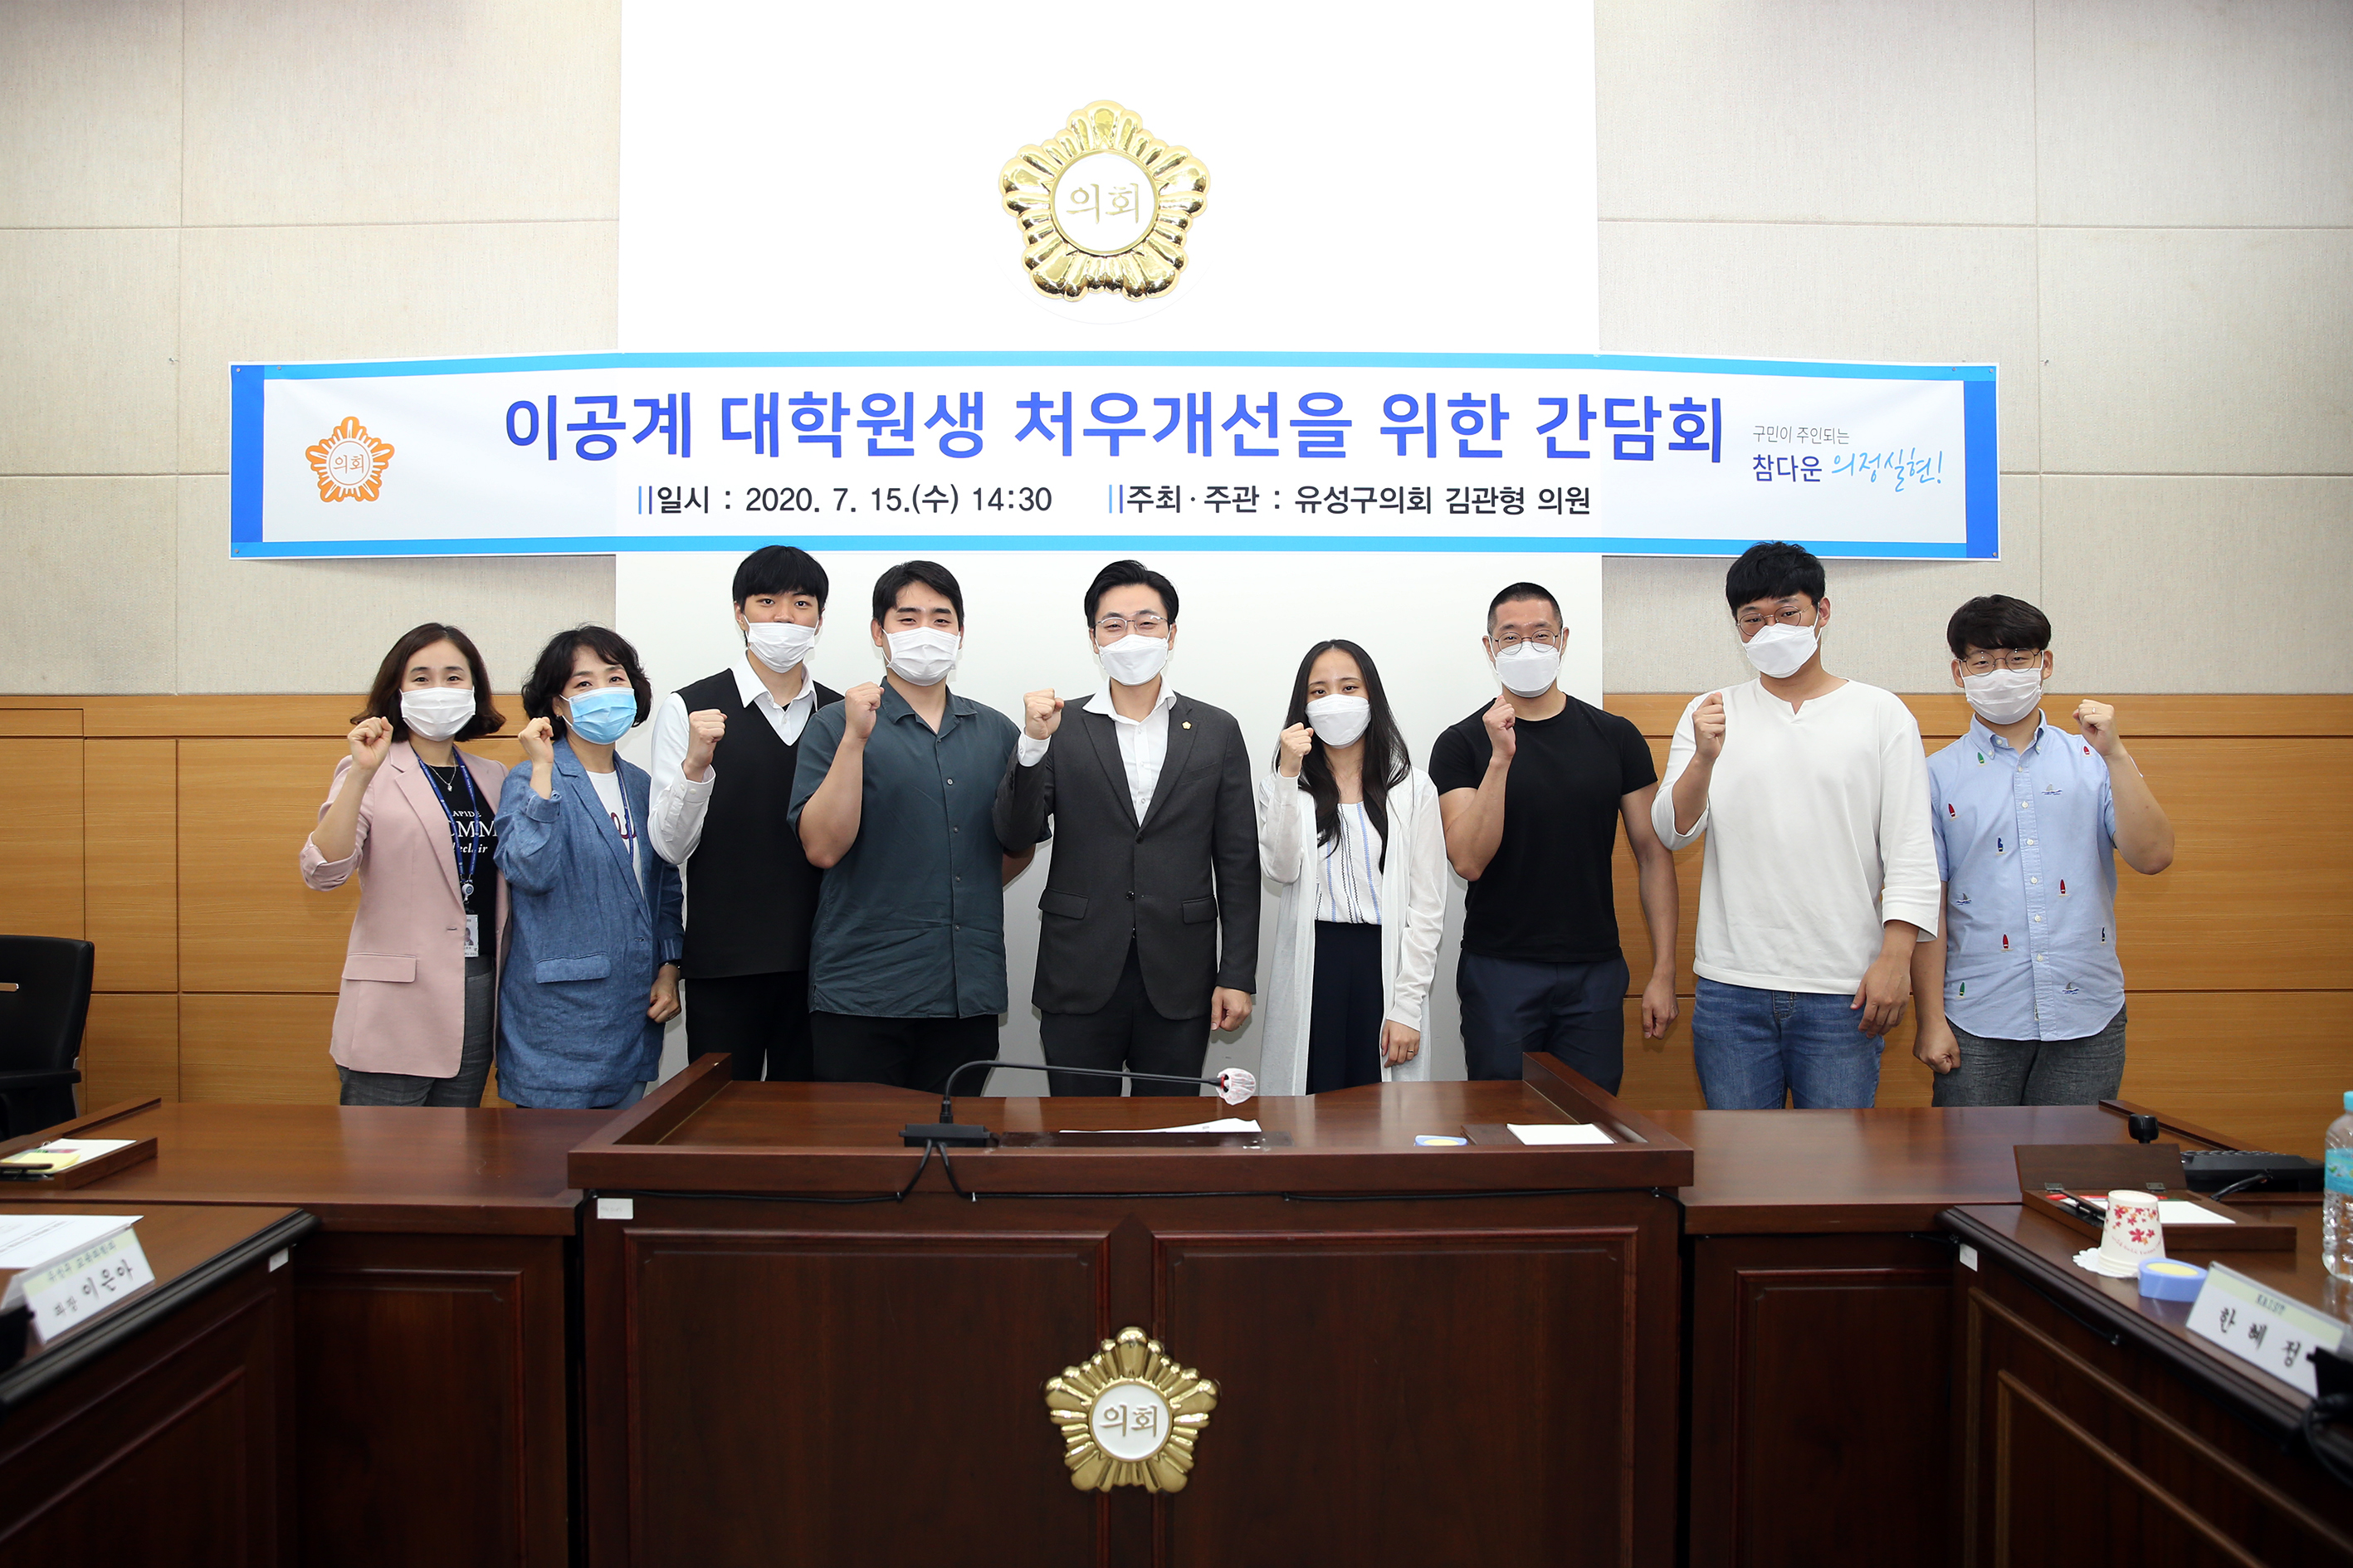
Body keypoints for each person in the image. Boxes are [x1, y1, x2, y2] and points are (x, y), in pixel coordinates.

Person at [1652, 541, 1940, 1110]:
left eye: (1788, 613)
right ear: (1737, 626)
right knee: (1736, 1159)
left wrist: (1895, 958)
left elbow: (1911, 849)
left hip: (1844, 989)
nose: (1771, 630)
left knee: (1834, 1162)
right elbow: (1672, 830)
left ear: (1821, 612)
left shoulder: (1881, 713)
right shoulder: (1710, 711)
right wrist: (1704, 757)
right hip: (1732, 986)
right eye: (1753, 619)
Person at [993, 560, 1257, 1097]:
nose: (1130, 636)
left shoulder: (1217, 729)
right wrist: (1032, 744)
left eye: (1146, 622)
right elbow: (1015, 833)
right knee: (1078, 1131)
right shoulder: (1059, 726)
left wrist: (1236, 974)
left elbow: (1237, 862)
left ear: (1171, 633)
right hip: (1079, 968)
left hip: (1180, 974)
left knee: (1170, 1130)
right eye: (1113, 624)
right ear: (1093, 638)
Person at [1911, 595, 2175, 1104]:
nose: (2001, 674)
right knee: (1970, 1157)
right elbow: (1930, 908)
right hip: (1977, 1015)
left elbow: (2154, 856)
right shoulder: (1935, 776)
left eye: (2017, 659)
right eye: (1983, 662)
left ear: (2045, 663)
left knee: (2072, 1156)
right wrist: (1931, 1019)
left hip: (2088, 1012)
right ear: (1959, 672)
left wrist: (2117, 754)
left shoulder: (2094, 758)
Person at [790, 562, 1029, 1092]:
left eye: (941, 619)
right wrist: (855, 740)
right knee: (863, 1144)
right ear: (879, 632)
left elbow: (1016, 848)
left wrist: (952, 882)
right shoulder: (834, 724)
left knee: (952, 1141)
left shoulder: (997, 732)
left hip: (966, 993)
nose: (927, 632)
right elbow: (822, 848)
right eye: (908, 618)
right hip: (863, 993)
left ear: (960, 633)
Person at [1433, 583, 1679, 1092]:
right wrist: (1500, 759)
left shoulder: (1616, 736)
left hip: (1595, 970)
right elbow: (1468, 861)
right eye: (1511, 637)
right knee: (1500, 1120)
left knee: (1591, 1124)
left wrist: (1664, 971)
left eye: (1541, 635)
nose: (1527, 647)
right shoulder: (1461, 743)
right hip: (1499, 969)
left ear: (1563, 639)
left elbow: (1653, 855)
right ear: (1490, 648)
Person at [648, 545, 842, 1084]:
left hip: (823, 963)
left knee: (810, 1120)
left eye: (801, 603)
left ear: (819, 619)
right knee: (720, 1118)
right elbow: (669, 846)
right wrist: (696, 765)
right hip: (724, 961)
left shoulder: (844, 715)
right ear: (740, 613)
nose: (785, 617)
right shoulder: (689, 708)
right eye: (766, 601)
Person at [300, 623, 510, 1106]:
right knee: (385, 1153)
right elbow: (323, 871)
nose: (439, 688)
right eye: (421, 677)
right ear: (397, 690)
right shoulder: (370, 770)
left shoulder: (494, 776)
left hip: (479, 987)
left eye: (453, 677)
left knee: (458, 1147)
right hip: (395, 1002)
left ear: (474, 688)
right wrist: (360, 775)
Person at [495, 626, 684, 1110]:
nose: (604, 691)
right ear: (557, 705)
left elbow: (663, 888)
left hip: (633, 1023)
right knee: (550, 1160)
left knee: (622, 1155)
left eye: (615, 678)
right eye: (583, 683)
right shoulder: (530, 779)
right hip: (558, 1030)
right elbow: (529, 871)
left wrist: (669, 968)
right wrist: (542, 768)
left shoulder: (642, 785)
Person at [1256, 639, 1447, 1094]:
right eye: (1319, 691)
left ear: (1371, 697)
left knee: (1380, 1106)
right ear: (1303, 705)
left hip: (1384, 962)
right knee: (1310, 1097)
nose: (1334, 700)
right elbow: (1280, 869)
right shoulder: (1283, 787)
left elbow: (1427, 907)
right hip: (1315, 959)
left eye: (1349, 687)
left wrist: (1407, 1005)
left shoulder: (1412, 789)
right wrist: (1287, 774)